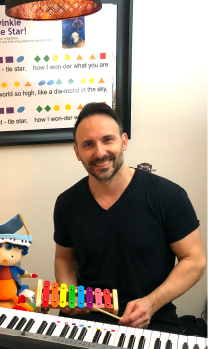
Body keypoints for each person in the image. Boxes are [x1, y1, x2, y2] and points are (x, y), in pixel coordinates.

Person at [54, 102, 206, 334]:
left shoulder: (168, 196)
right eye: (88, 144)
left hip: (154, 318)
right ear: (77, 152)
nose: (100, 152)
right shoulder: (66, 203)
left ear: (123, 141)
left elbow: (194, 260)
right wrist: (69, 293)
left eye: (108, 139)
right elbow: (64, 259)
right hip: (87, 319)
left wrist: (151, 303)